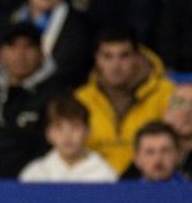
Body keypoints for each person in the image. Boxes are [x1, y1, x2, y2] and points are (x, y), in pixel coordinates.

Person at [75, 26, 174, 175]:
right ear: (97, 60)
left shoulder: (167, 93)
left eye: (124, 56)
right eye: (107, 56)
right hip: (93, 183)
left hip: (150, 183)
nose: (115, 65)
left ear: (137, 57)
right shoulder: (80, 99)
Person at [0, 22, 61, 178]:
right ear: (0, 53)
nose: (20, 54)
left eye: (28, 46)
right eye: (12, 46)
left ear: (41, 53)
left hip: (38, 182)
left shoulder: (55, 96)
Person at [18, 94, 116, 183]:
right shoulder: (35, 174)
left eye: (75, 127)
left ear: (88, 131)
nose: (67, 135)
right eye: (58, 127)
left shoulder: (104, 175)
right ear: (48, 133)